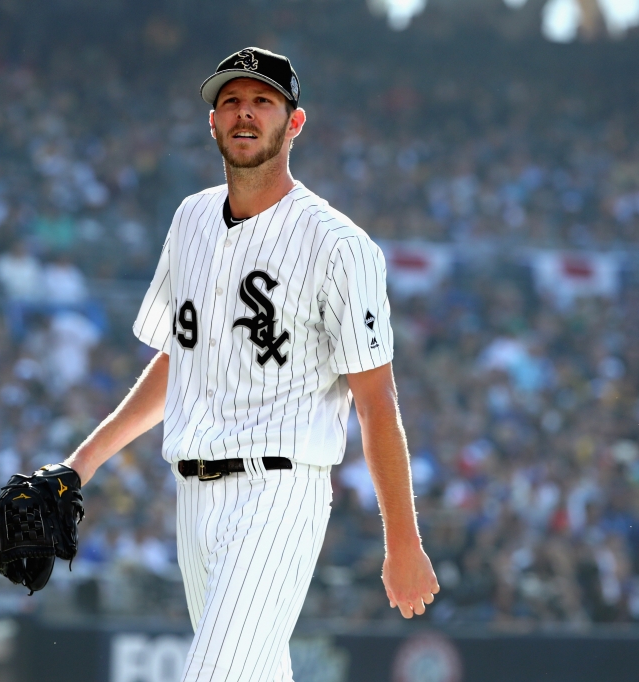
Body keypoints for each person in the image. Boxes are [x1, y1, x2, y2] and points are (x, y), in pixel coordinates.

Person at [57, 47, 439, 681]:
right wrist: (80, 464)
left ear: (294, 124)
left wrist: (402, 539)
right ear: (212, 123)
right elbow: (180, 358)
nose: (244, 113)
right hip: (193, 497)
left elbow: (376, 401)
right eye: (230, 100)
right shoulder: (190, 219)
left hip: (279, 490)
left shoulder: (339, 245)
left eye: (263, 101)